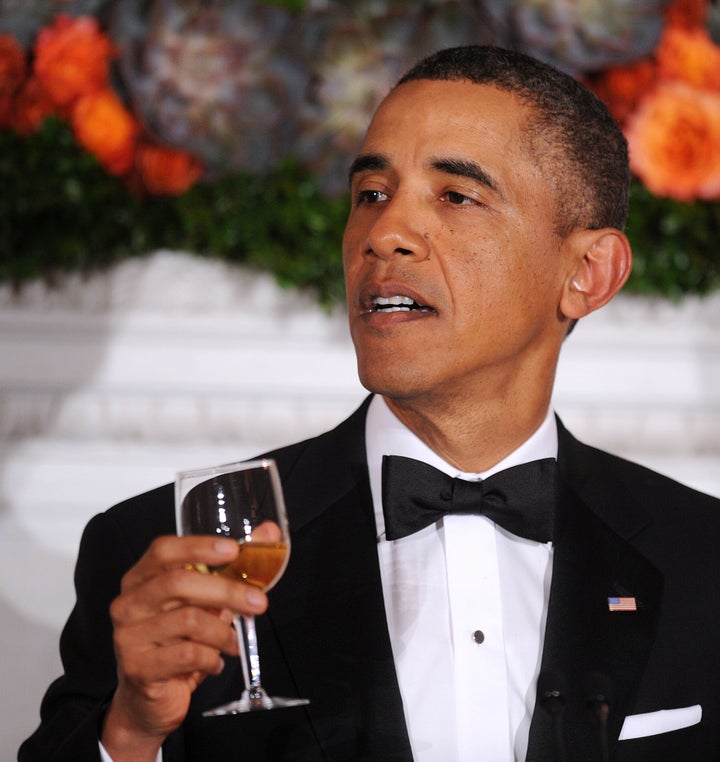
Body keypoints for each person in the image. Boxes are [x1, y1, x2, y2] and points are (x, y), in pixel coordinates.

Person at [19, 45, 720, 762]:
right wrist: (132, 732)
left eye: (456, 196)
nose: (383, 235)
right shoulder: (162, 550)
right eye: (371, 195)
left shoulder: (705, 559)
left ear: (588, 273)